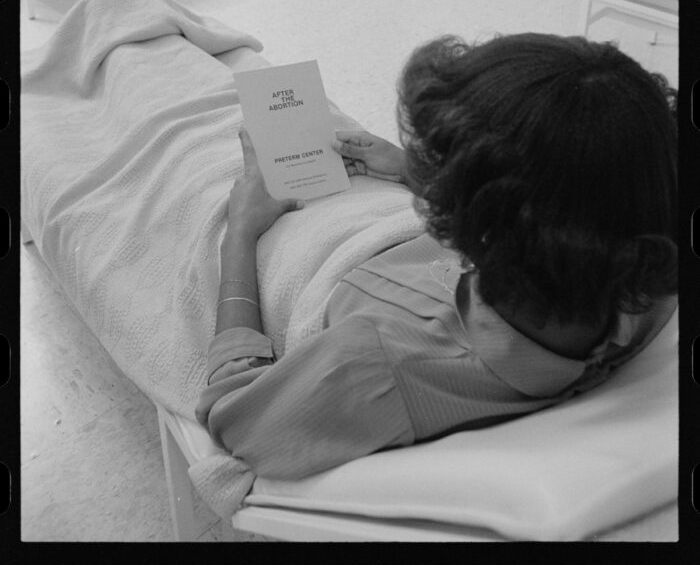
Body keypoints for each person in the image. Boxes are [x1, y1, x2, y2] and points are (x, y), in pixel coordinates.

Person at [195, 32, 677, 487]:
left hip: (313, 246)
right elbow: (576, 190)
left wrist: (240, 232)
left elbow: (237, 418)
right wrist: (416, 169)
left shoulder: (373, 367)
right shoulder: (641, 283)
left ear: (475, 233)